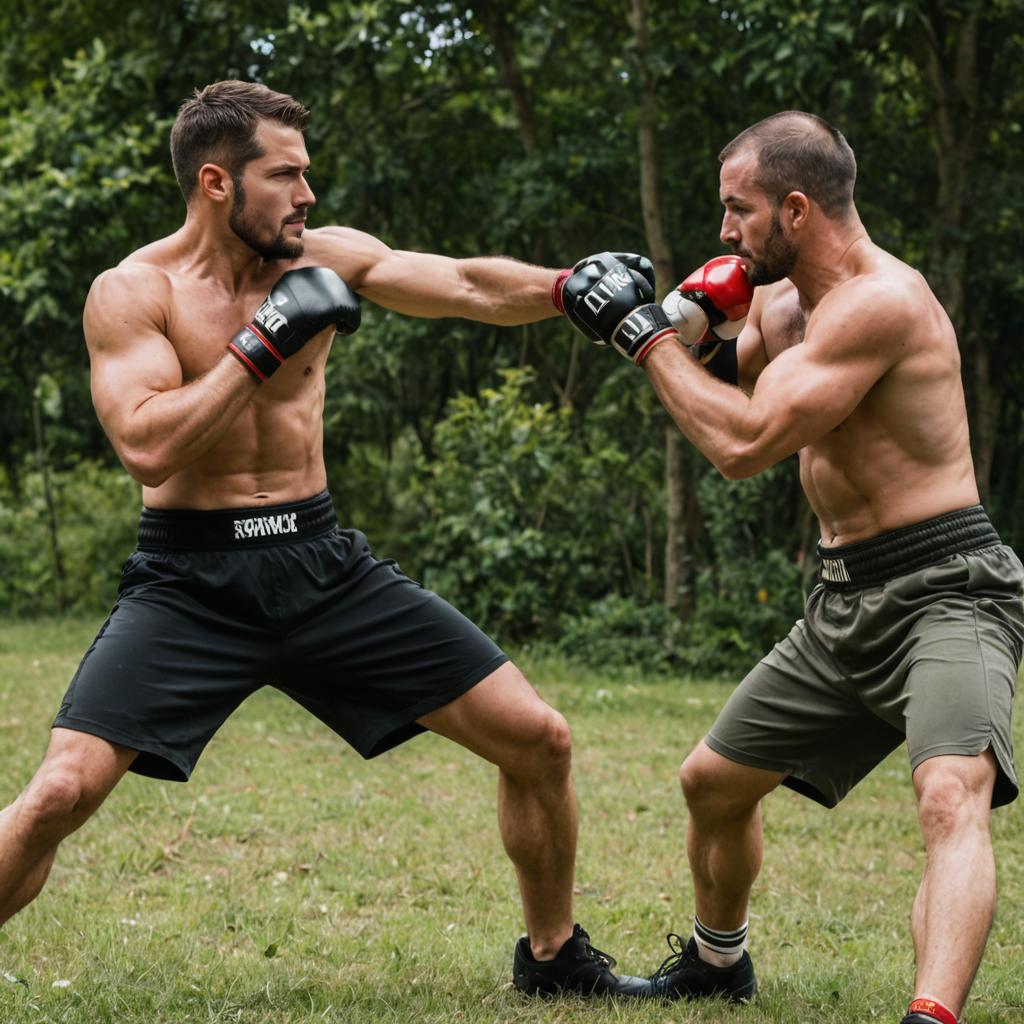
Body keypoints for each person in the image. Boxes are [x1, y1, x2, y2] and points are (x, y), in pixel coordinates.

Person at [0, 79, 652, 999]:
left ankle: (553, 961)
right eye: (287, 175)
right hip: (191, 579)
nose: (308, 195)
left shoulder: (326, 257)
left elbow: (463, 282)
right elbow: (146, 445)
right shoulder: (133, 291)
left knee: (538, 739)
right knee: (62, 793)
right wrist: (262, 343)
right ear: (218, 183)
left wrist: (565, 288)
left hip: (322, 565)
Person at [558, 111, 1024, 1024]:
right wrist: (687, 326)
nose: (725, 231)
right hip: (841, 598)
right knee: (711, 785)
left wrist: (644, 336)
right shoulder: (782, 302)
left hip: (946, 587)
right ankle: (716, 964)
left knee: (947, 794)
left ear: (798, 208)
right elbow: (728, 386)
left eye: (739, 211)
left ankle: (931, 1016)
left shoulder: (881, 302)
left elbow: (745, 446)